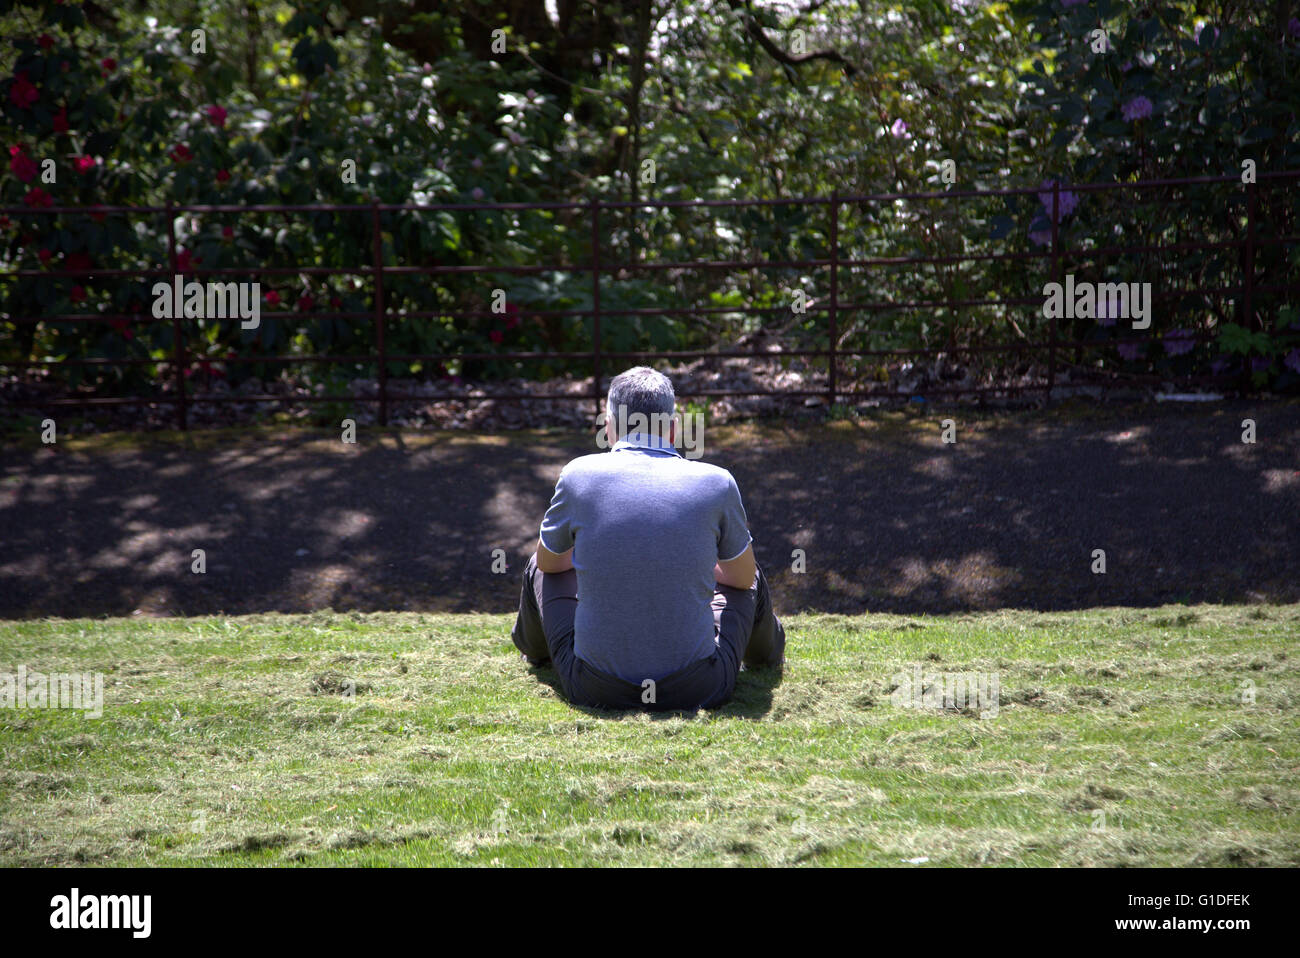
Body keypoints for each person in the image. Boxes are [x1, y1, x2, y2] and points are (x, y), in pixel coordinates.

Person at [511, 365, 785, 711]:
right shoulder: (717, 481)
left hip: (596, 687)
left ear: (608, 426)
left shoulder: (577, 475)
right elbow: (742, 578)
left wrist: (596, 556)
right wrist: (697, 562)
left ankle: (535, 652)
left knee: (540, 564)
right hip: (699, 687)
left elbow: (551, 563)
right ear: (672, 430)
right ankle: (767, 656)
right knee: (751, 573)